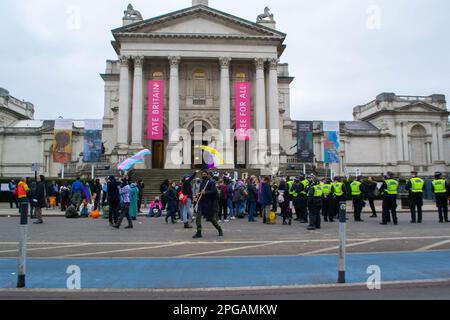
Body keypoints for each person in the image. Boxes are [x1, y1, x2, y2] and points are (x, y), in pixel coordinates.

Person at [193, 170, 223, 239]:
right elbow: (201, 191)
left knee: (211, 218)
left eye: (204, 174)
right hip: (201, 202)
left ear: (207, 175)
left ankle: (219, 229)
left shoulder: (211, 182)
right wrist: (198, 194)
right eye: (202, 174)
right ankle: (199, 232)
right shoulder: (202, 182)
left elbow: (214, 192)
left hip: (208, 203)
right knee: (198, 217)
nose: (203, 175)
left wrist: (206, 192)